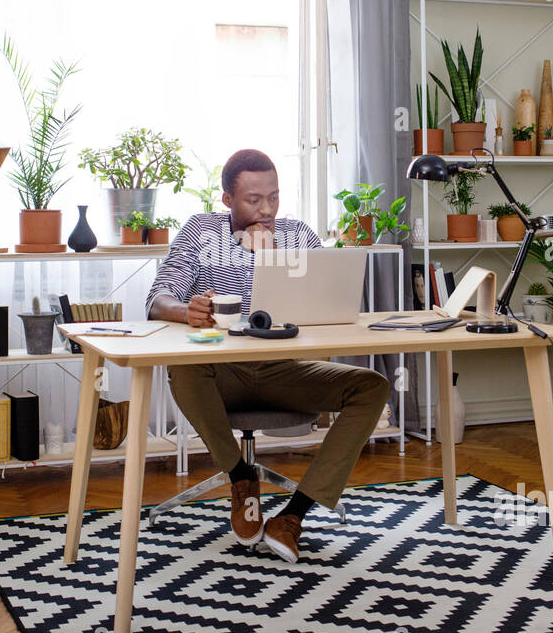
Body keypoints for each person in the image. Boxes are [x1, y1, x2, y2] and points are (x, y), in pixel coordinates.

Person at [146, 149, 390, 563]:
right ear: (227, 200)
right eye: (253, 200)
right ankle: (241, 477)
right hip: (219, 375)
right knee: (182, 368)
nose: (267, 209)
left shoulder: (298, 236)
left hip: (284, 371)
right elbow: (157, 299)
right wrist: (185, 310)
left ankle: (292, 516)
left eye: (274, 197)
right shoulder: (200, 232)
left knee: (372, 387)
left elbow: (328, 304)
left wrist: (275, 256)